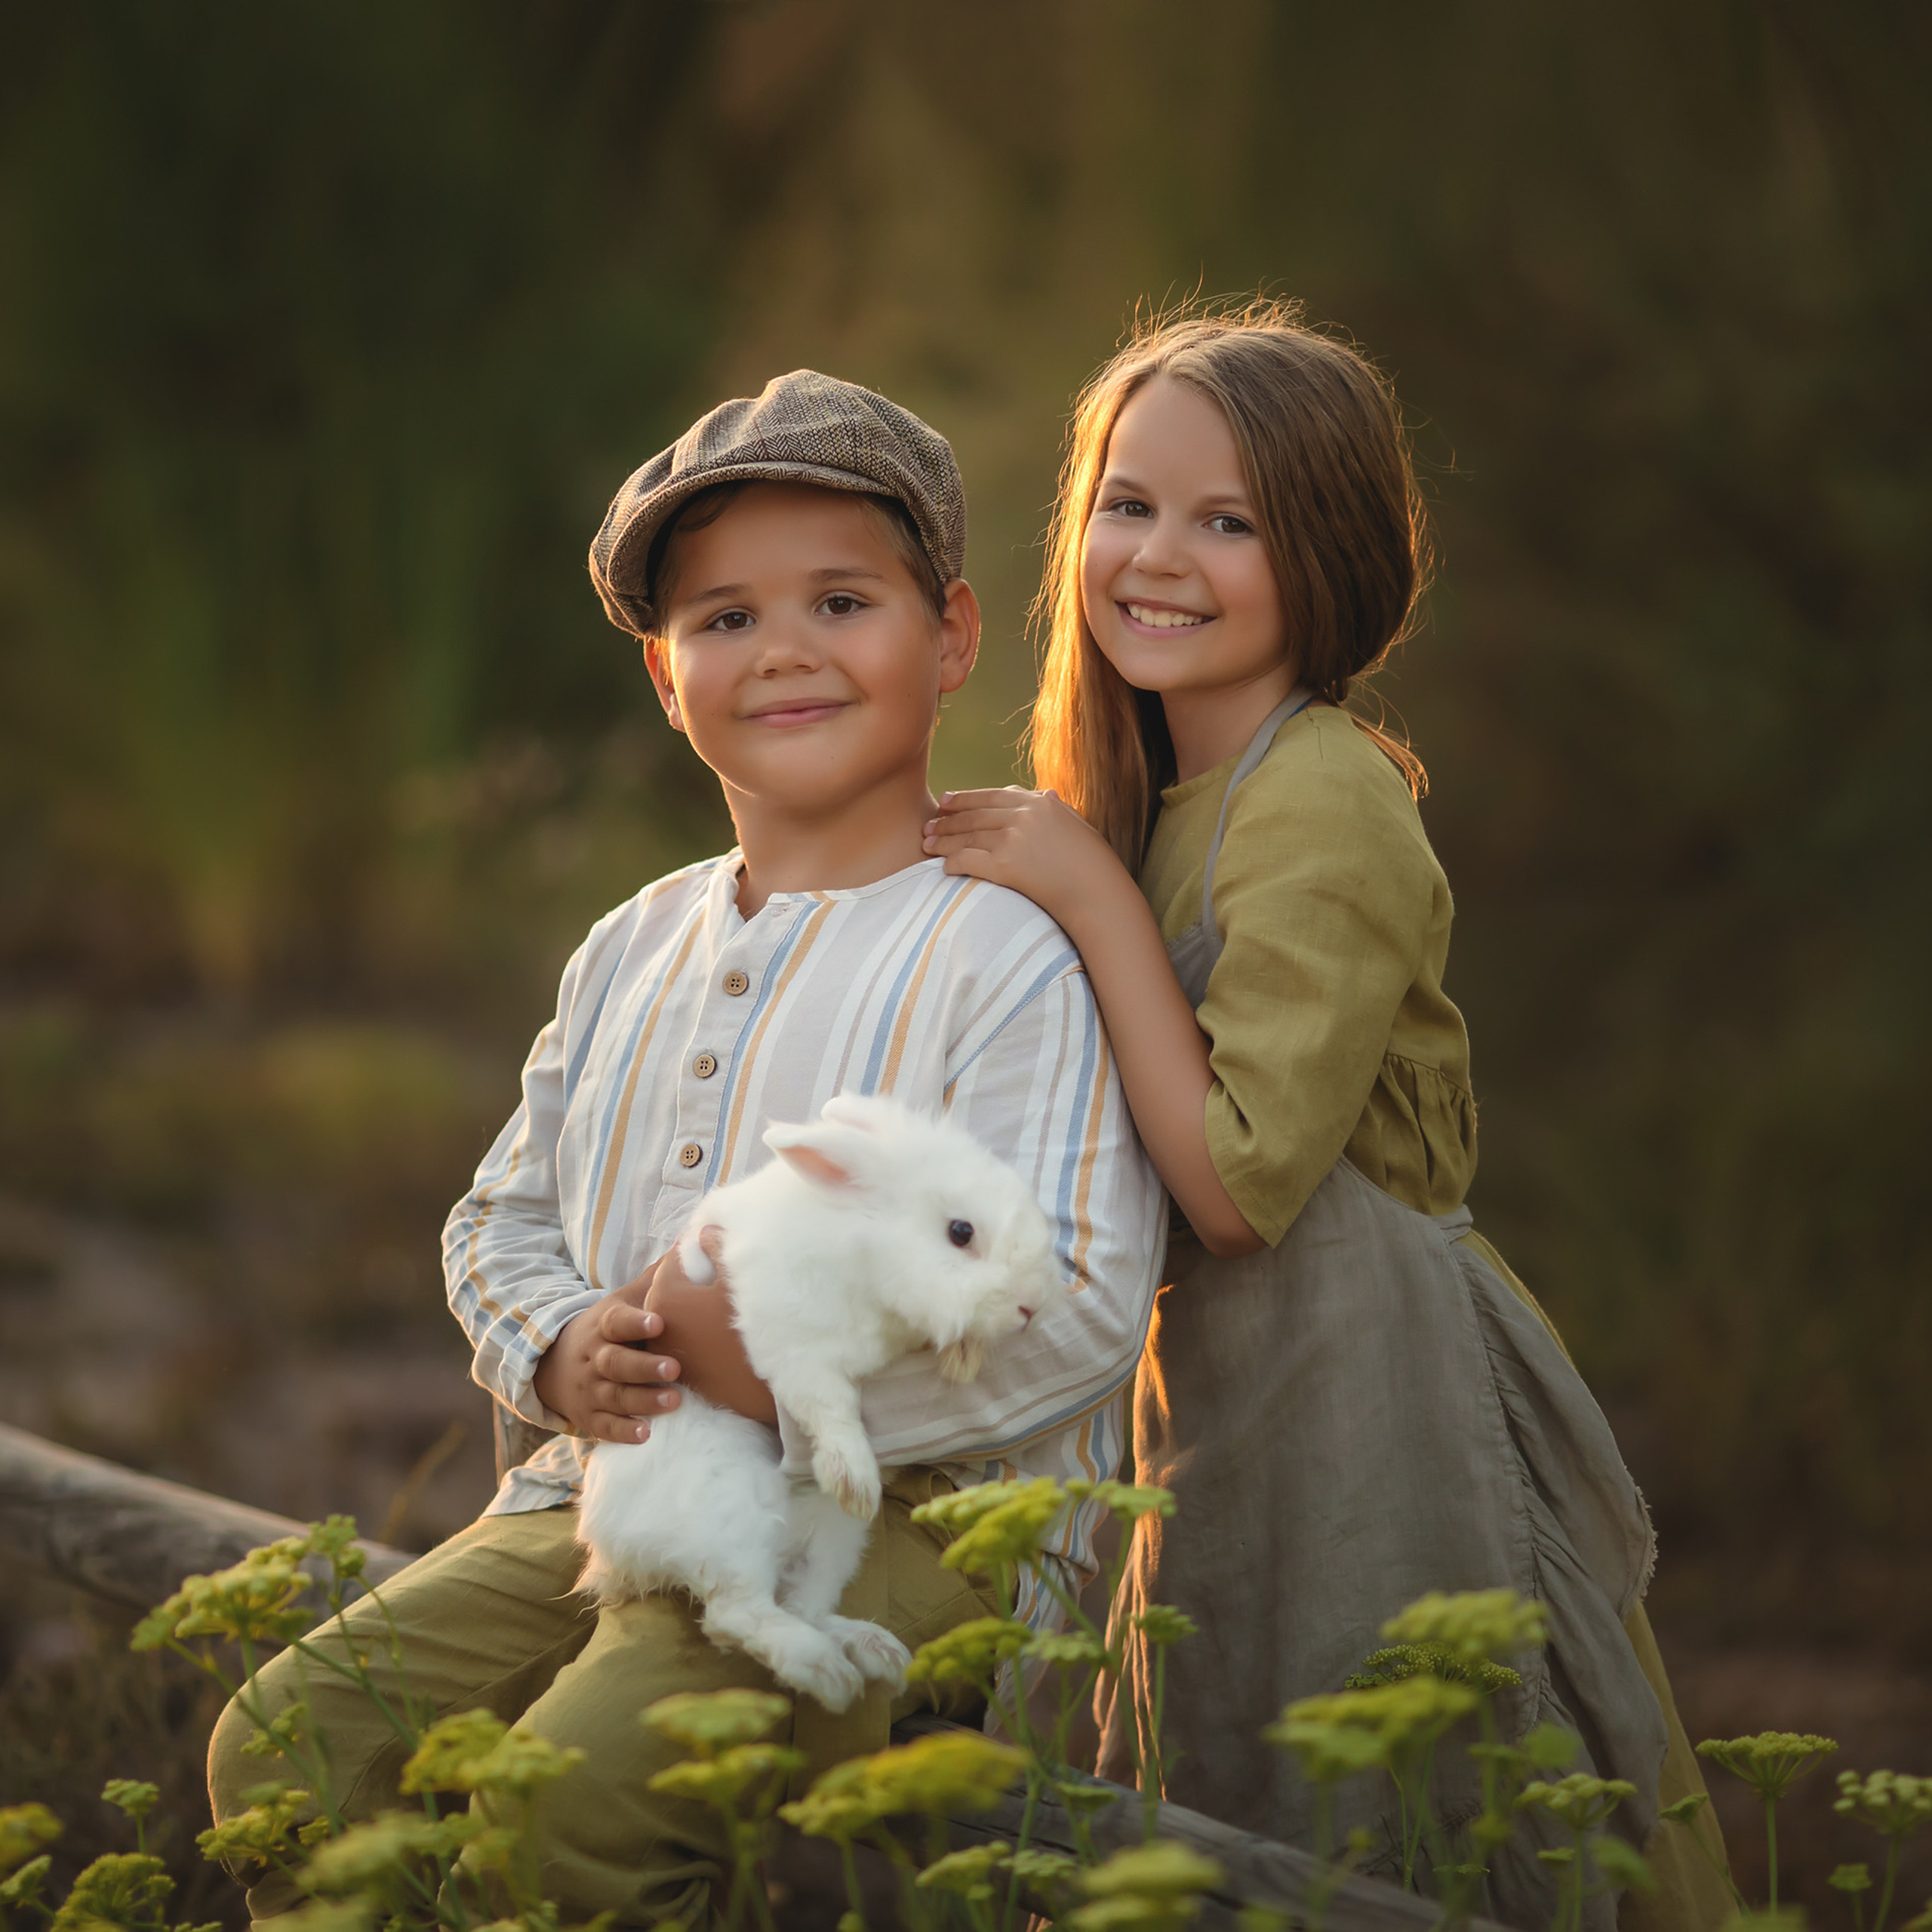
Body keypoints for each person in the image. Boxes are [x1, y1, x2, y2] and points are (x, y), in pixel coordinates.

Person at [206, 371, 1164, 1927]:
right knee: (292, 1741)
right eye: (720, 619)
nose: (778, 648)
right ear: (664, 678)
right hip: (613, 1496)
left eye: (838, 599)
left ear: (953, 636)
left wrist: (758, 1367)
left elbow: (1084, 1300)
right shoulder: (631, 941)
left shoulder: (1004, 951)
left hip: (902, 1516)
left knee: (565, 1810)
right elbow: (497, 1214)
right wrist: (562, 1344)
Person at [924, 305, 1732, 1932]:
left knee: (1395, 1818)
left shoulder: (1323, 789)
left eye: (1230, 521)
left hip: (1371, 1384)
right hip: (1214, 1391)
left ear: (1331, 556)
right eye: (1129, 503)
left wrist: (1080, 892)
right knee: (1221, 1801)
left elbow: (1232, 1182)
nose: (1160, 554)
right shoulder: (1144, 799)